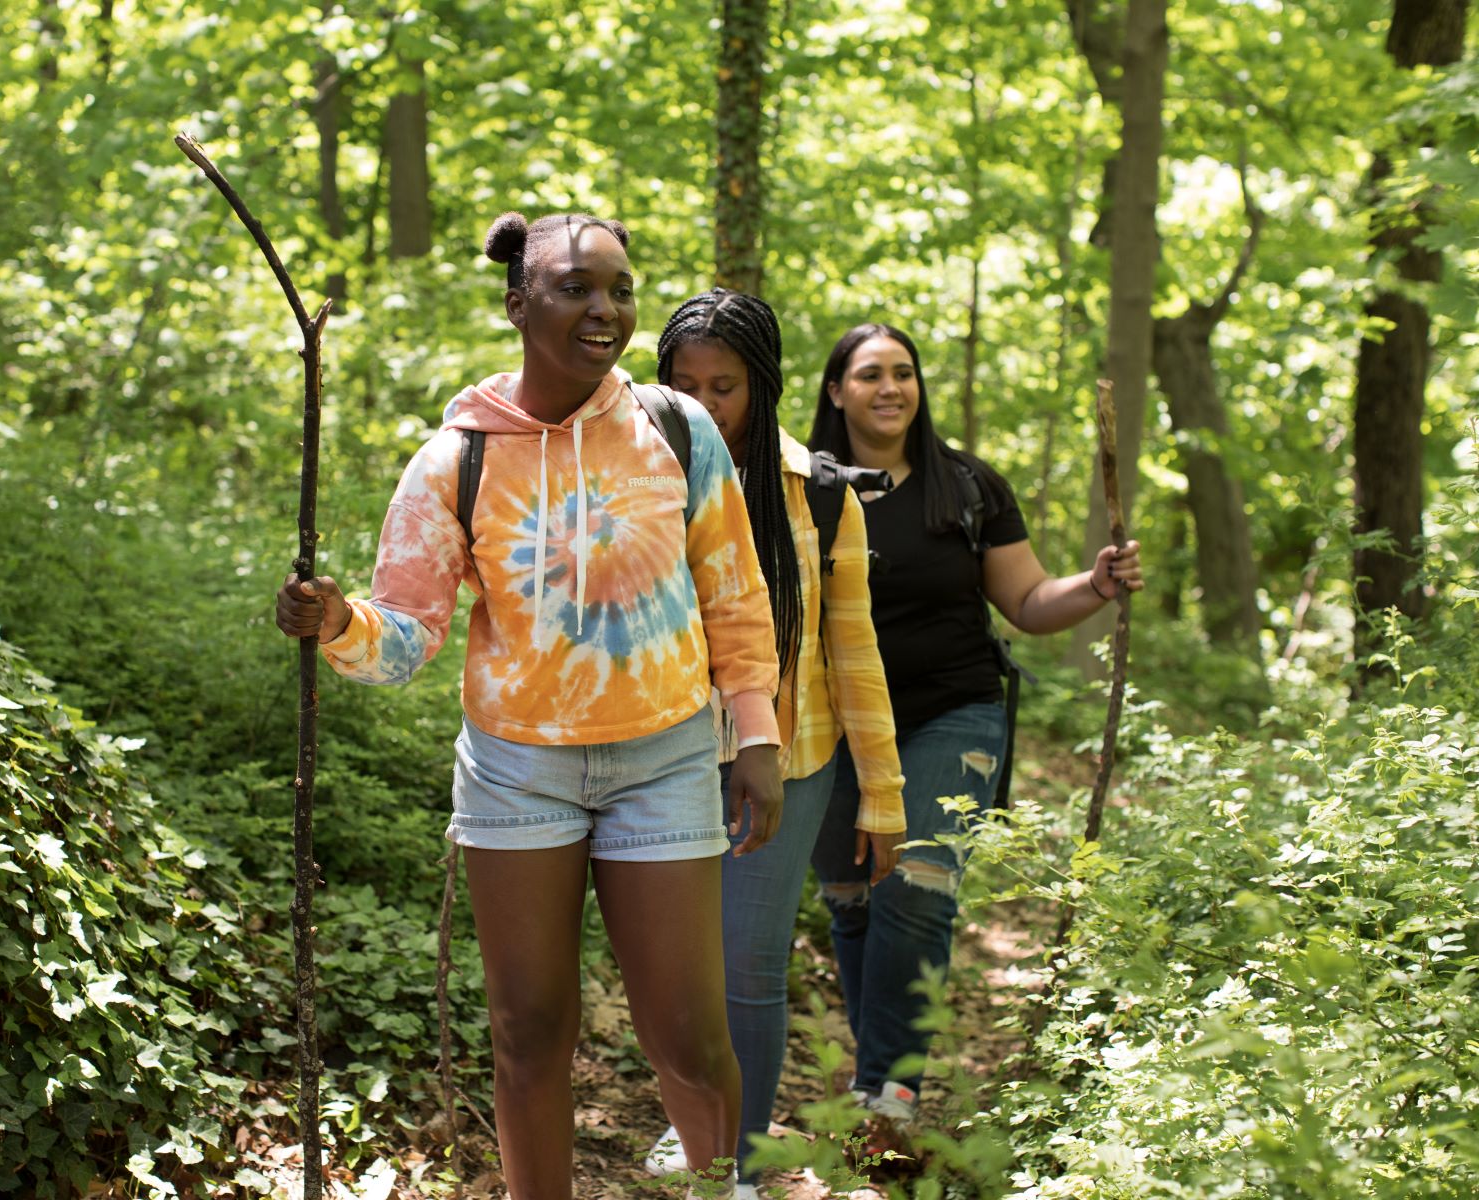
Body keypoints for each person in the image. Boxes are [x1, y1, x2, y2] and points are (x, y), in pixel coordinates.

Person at [273, 212, 784, 1199]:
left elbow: (735, 596)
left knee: (688, 1034)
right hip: (518, 773)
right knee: (527, 1032)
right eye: (577, 288)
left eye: (620, 289)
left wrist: (753, 734)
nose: (607, 310)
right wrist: (338, 621)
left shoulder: (676, 430)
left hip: (668, 760)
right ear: (517, 302)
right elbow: (406, 640)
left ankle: (728, 1188)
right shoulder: (456, 459)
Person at [804, 321, 1144, 1145]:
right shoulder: (802, 487)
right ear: (836, 390)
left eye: (905, 373)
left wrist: (1094, 585)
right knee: (852, 904)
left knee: (915, 887)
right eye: (872, 374)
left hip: (952, 711)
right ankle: (878, 1069)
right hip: (834, 724)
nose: (892, 388)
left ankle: (891, 1094)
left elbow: (1027, 603)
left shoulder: (965, 486)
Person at [639, 289, 910, 1194]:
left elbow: (856, 652)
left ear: (764, 387)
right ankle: (697, 1126)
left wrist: (882, 796)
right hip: (662, 755)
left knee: (746, 965)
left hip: (790, 758)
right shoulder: (633, 475)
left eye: (725, 386)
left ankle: (741, 1165)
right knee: (676, 965)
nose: (705, 405)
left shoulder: (822, 495)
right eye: (685, 384)